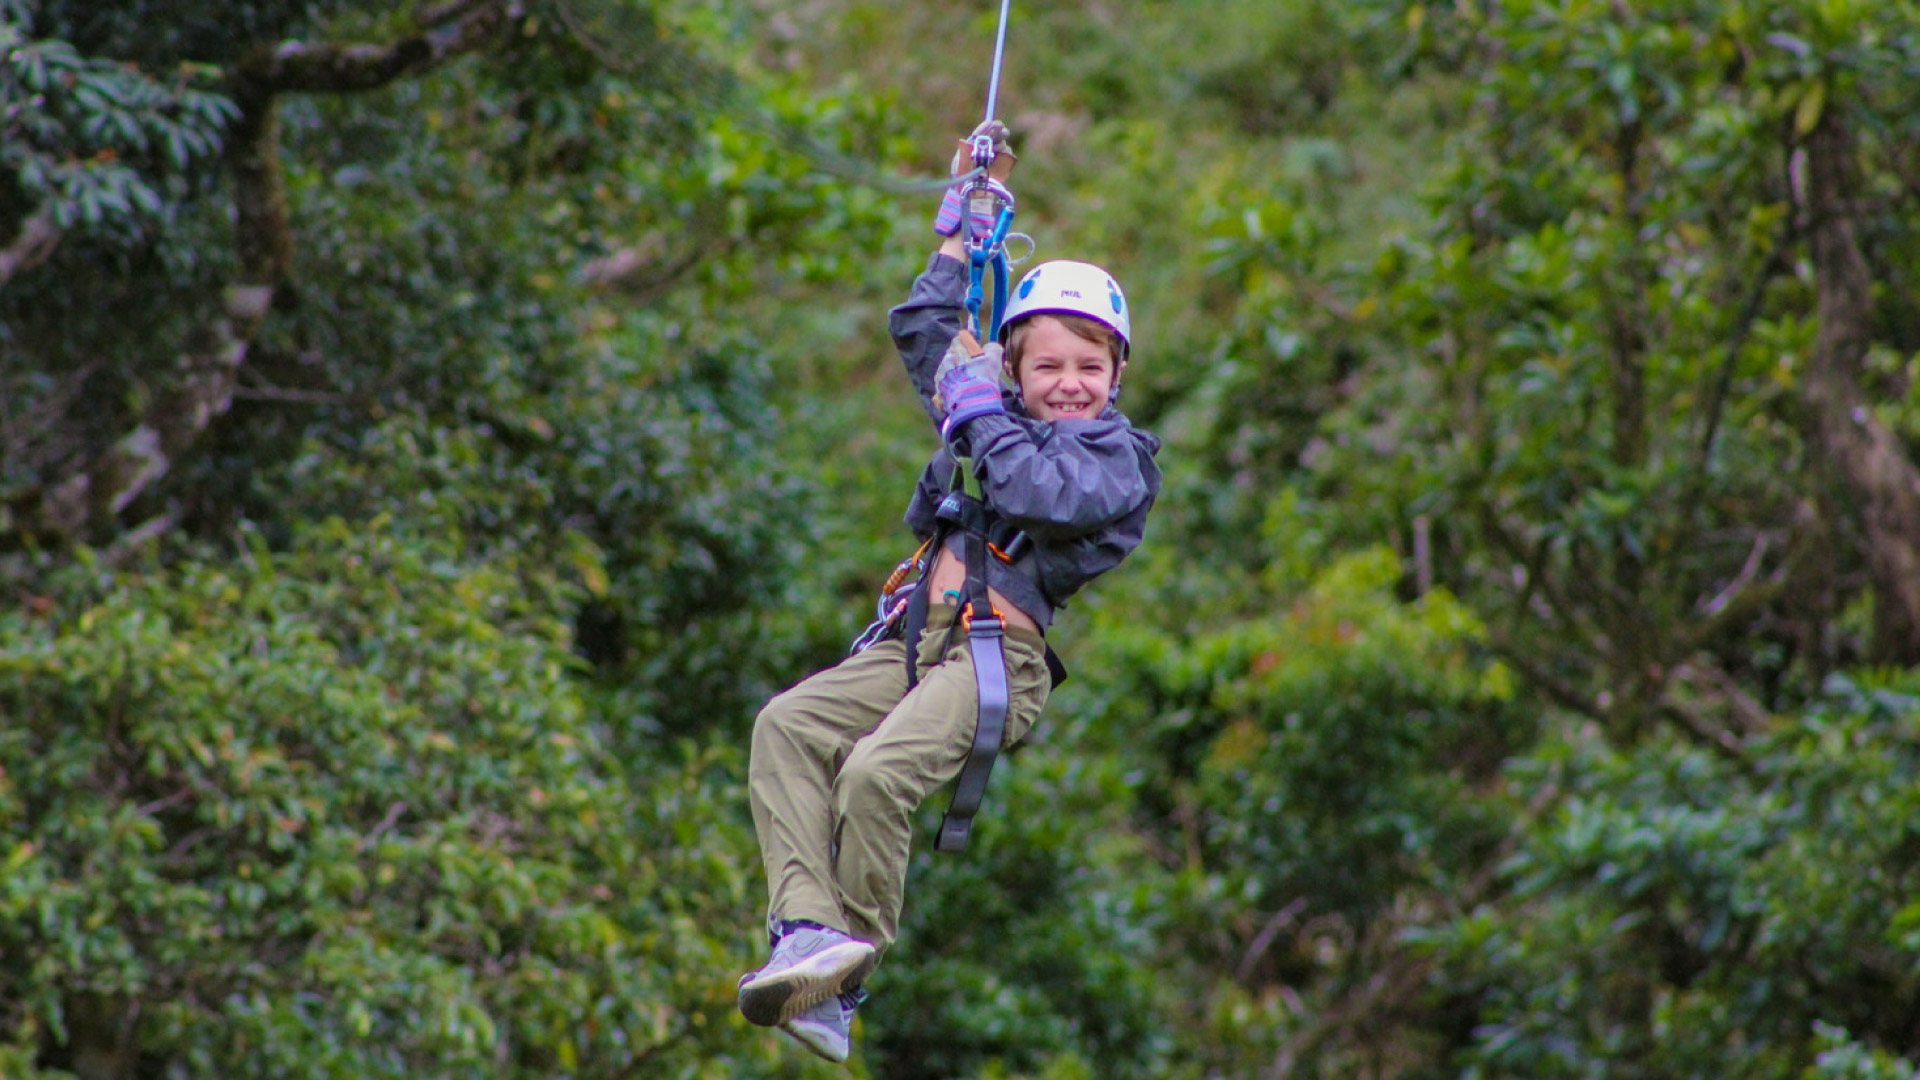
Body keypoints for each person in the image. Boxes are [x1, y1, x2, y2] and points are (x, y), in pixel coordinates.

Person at [737, 122, 1162, 1063]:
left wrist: (978, 409)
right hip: (913, 642)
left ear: (1118, 375)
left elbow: (1039, 492)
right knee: (788, 728)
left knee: (877, 775)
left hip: (994, 654)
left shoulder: (1117, 461)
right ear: (1016, 363)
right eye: (1048, 366)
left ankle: (848, 977)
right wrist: (964, 228)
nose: (1070, 385)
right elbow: (930, 332)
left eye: (1091, 368)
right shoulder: (987, 405)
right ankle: (806, 933)